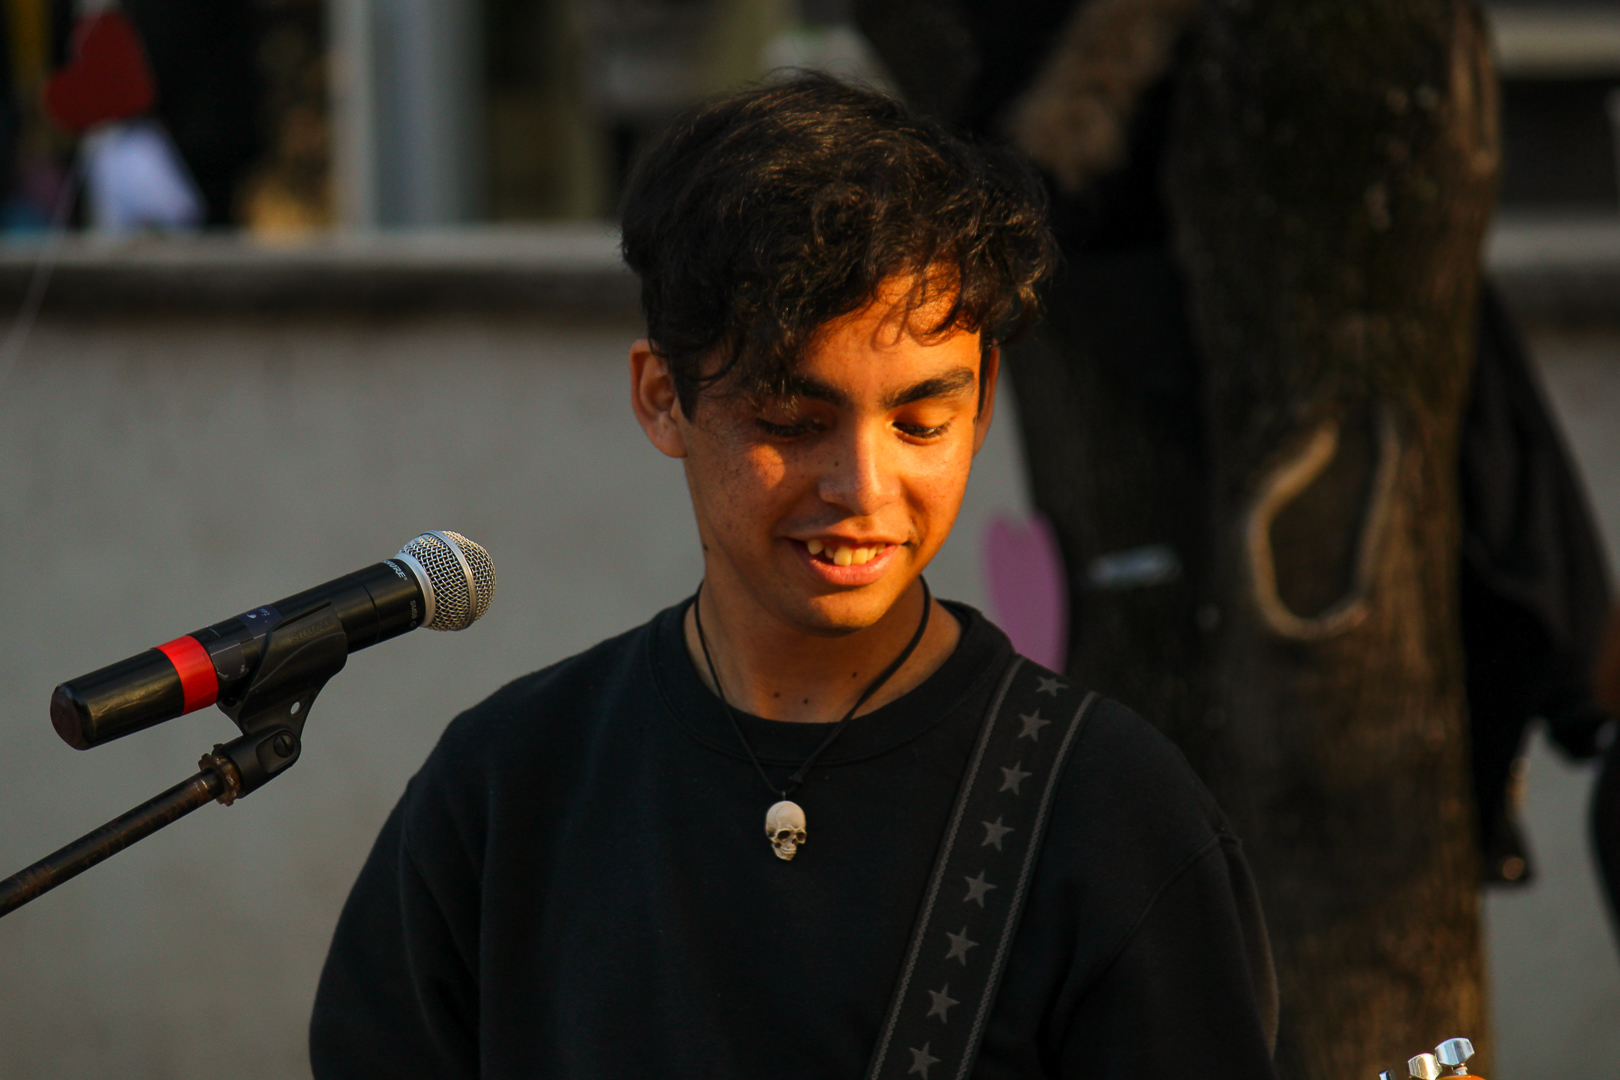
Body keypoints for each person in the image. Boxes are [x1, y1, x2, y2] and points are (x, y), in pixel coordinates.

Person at [308, 75, 1278, 1078]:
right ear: (663, 397)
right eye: (791, 423)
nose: (864, 488)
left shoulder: (1108, 813)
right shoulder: (505, 792)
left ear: (984, 401)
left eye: (921, 423)